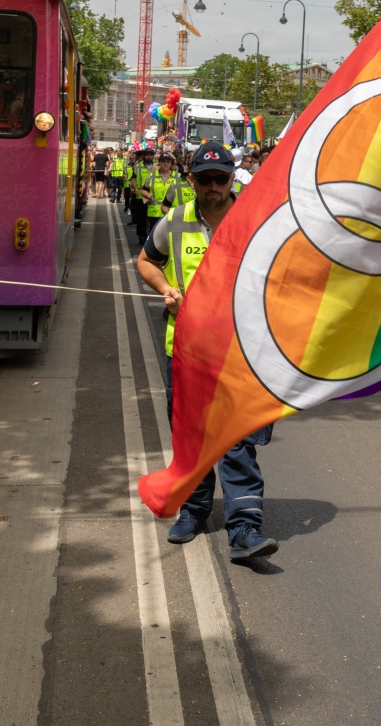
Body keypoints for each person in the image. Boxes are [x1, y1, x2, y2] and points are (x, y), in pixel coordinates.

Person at [137, 140, 278, 562]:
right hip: (185, 349)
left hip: (240, 348)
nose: (213, 186)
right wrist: (165, 288)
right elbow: (145, 261)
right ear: (191, 179)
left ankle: (244, 528)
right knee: (192, 434)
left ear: (233, 178)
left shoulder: (256, 221)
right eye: (205, 179)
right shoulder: (175, 220)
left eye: (221, 178)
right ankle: (194, 512)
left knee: (235, 436)